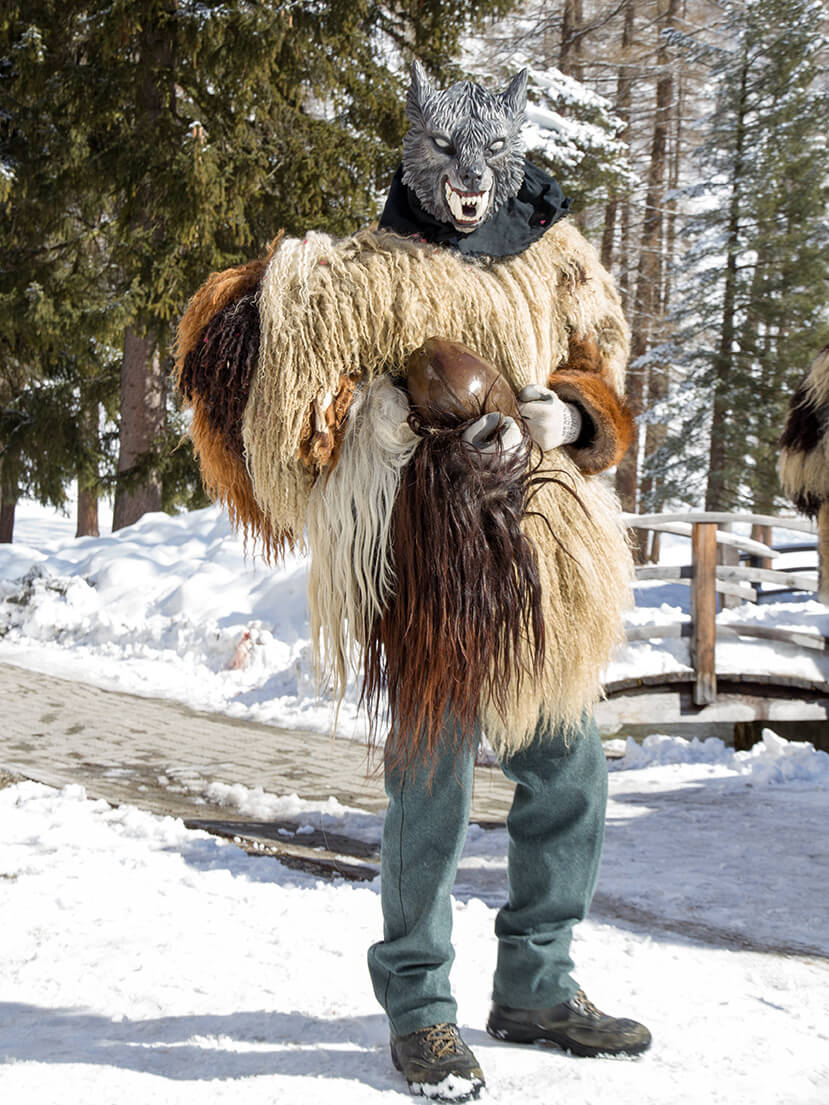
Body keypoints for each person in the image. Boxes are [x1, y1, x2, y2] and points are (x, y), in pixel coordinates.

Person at [175, 61, 651, 1105]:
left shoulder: (551, 260)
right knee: (428, 792)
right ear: (415, 150)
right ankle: (421, 1011)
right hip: (423, 564)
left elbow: (597, 375)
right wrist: (387, 418)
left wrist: (560, 417)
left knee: (567, 773)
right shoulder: (364, 271)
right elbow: (303, 405)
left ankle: (537, 984)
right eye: (445, 155)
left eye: (484, 155)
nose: (468, 178)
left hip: (535, 563)